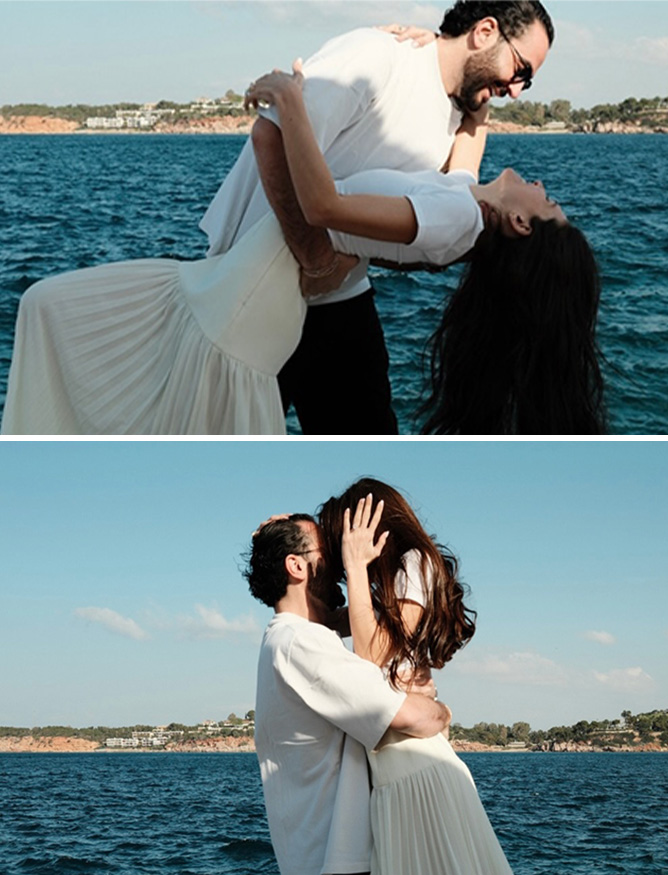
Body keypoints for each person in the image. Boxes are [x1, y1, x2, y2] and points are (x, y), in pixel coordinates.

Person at [1, 52, 601, 436]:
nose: (546, 186)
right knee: (48, 309)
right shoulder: (462, 202)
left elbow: (323, 207)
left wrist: (290, 101)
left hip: (243, 303)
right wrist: (441, 50)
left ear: (522, 226)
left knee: (51, 311)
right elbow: (469, 140)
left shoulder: (455, 218)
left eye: (550, 205)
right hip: (229, 285)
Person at [202, 1, 555, 434]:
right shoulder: (377, 56)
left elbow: (439, 207)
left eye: (528, 82)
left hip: (339, 298)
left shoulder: (455, 114)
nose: (517, 91)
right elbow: (269, 135)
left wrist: (328, 272)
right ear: (484, 32)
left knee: (369, 443)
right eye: (521, 70)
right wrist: (317, 263)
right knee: (232, 438)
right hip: (254, 291)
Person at [319, 478, 515, 875]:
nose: (343, 558)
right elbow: (322, 621)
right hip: (396, 774)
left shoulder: (415, 562)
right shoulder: (383, 591)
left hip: (417, 771)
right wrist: (280, 539)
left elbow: (372, 655)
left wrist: (357, 567)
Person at [244, 513, 452, 875]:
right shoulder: (299, 643)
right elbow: (409, 717)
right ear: (296, 566)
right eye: (327, 554)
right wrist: (440, 709)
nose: (340, 565)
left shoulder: (290, 641)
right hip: (339, 863)